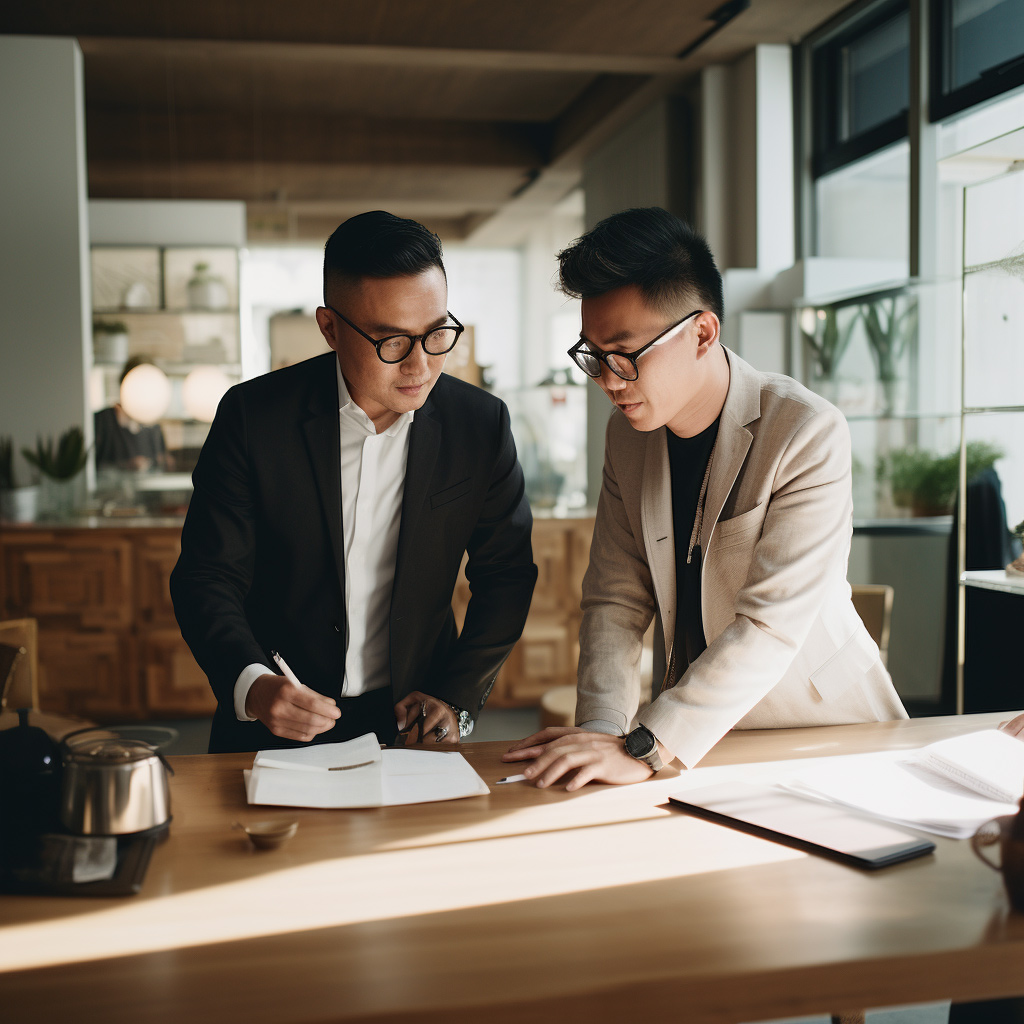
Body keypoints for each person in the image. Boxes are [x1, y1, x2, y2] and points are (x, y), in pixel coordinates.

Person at [504, 207, 907, 790]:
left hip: (823, 733)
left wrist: (645, 745)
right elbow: (614, 601)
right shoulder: (627, 436)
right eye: (592, 355)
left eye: (625, 353)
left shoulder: (805, 431)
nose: (609, 380)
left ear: (702, 332)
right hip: (691, 743)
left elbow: (768, 626)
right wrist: (599, 731)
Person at [171, 211, 537, 753]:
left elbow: (505, 573)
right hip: (276, 719)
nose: (420, 365)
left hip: (415, 721)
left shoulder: (480, 426)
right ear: (330, 329)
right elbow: (207, 576)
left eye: (437, 334)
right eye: (391, 341)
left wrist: (457, 697)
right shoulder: (253, 418)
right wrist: (252, 684)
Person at [93, 356, 171, 472]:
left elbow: (161, 465)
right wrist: (123, 467)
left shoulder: (154, 427)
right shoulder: (102, 421)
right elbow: (91, 468)